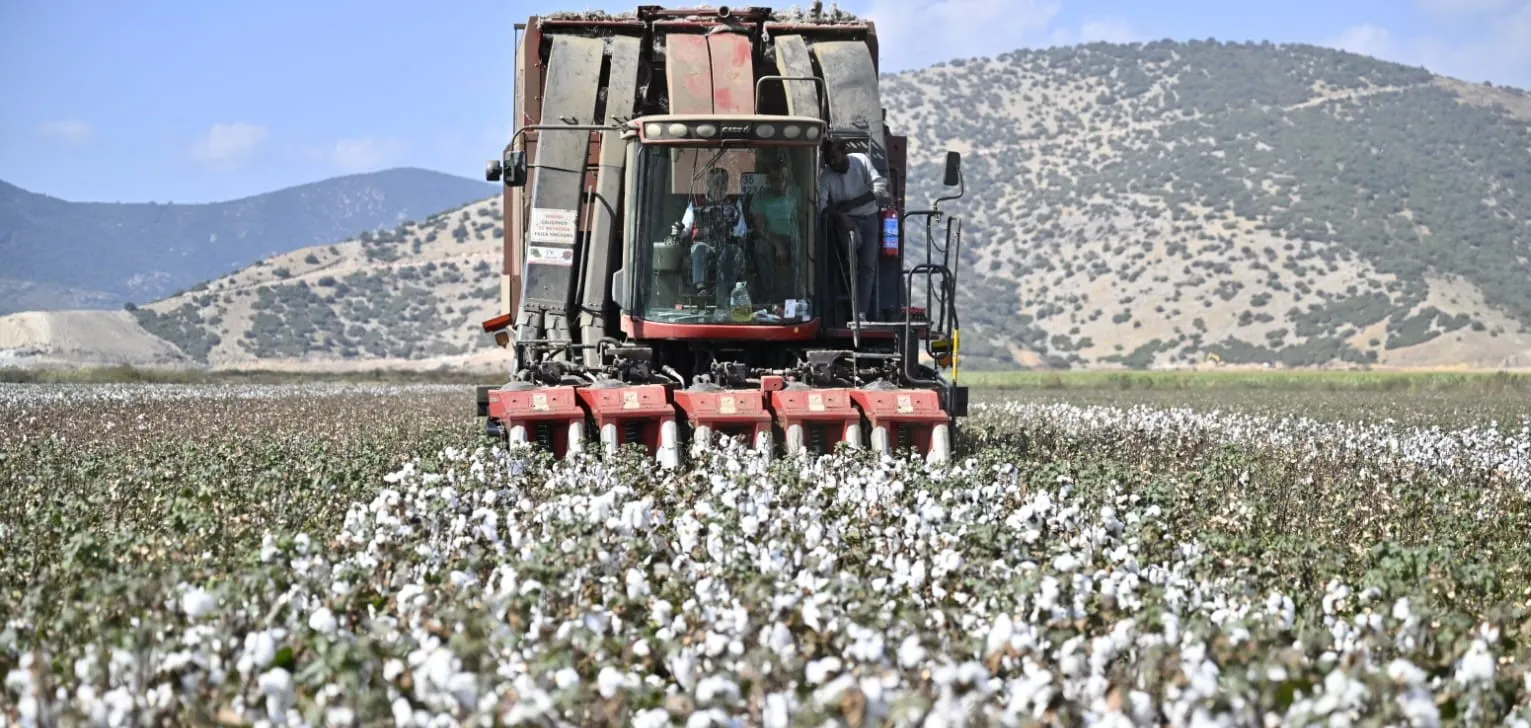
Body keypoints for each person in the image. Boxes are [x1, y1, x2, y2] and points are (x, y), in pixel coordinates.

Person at [817, 138, 888, 321]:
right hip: (845, 222)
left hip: (870, 218)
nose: (833, 162)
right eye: (828, 159)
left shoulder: (861, 161)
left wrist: (850, 205)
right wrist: (842, 216)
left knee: (868, 266)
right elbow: (822, 208)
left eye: (835, 157)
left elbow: (880, 186)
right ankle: (849, 304)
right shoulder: (826, 177)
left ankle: (861, 312)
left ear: (844, 151)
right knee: (853, 249)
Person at [679, 167, 748, 306]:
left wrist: (734, 237)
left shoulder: (734, 204)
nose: (720, 186)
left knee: (730, 253)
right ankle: (701, 290)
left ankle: (723, 296)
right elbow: (685, 227)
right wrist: (678, 232)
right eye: (716, 183)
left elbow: (742, 230)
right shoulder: (696, 203)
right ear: (708, 184)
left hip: (727, 244)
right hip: (705, 243)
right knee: (699, 249)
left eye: (723, 183)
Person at [748, 159, 799, 302]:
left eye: (782, 179)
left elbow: (803, 220)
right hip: (770, 238)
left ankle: (797, 294)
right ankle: (770, 296)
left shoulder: (797, 194)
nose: (778, 183)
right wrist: (778, 245)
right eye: (774, 179)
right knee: (761, 247)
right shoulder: (760, 197)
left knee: (800, 247)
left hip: (793, 238)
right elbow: (760, 228)